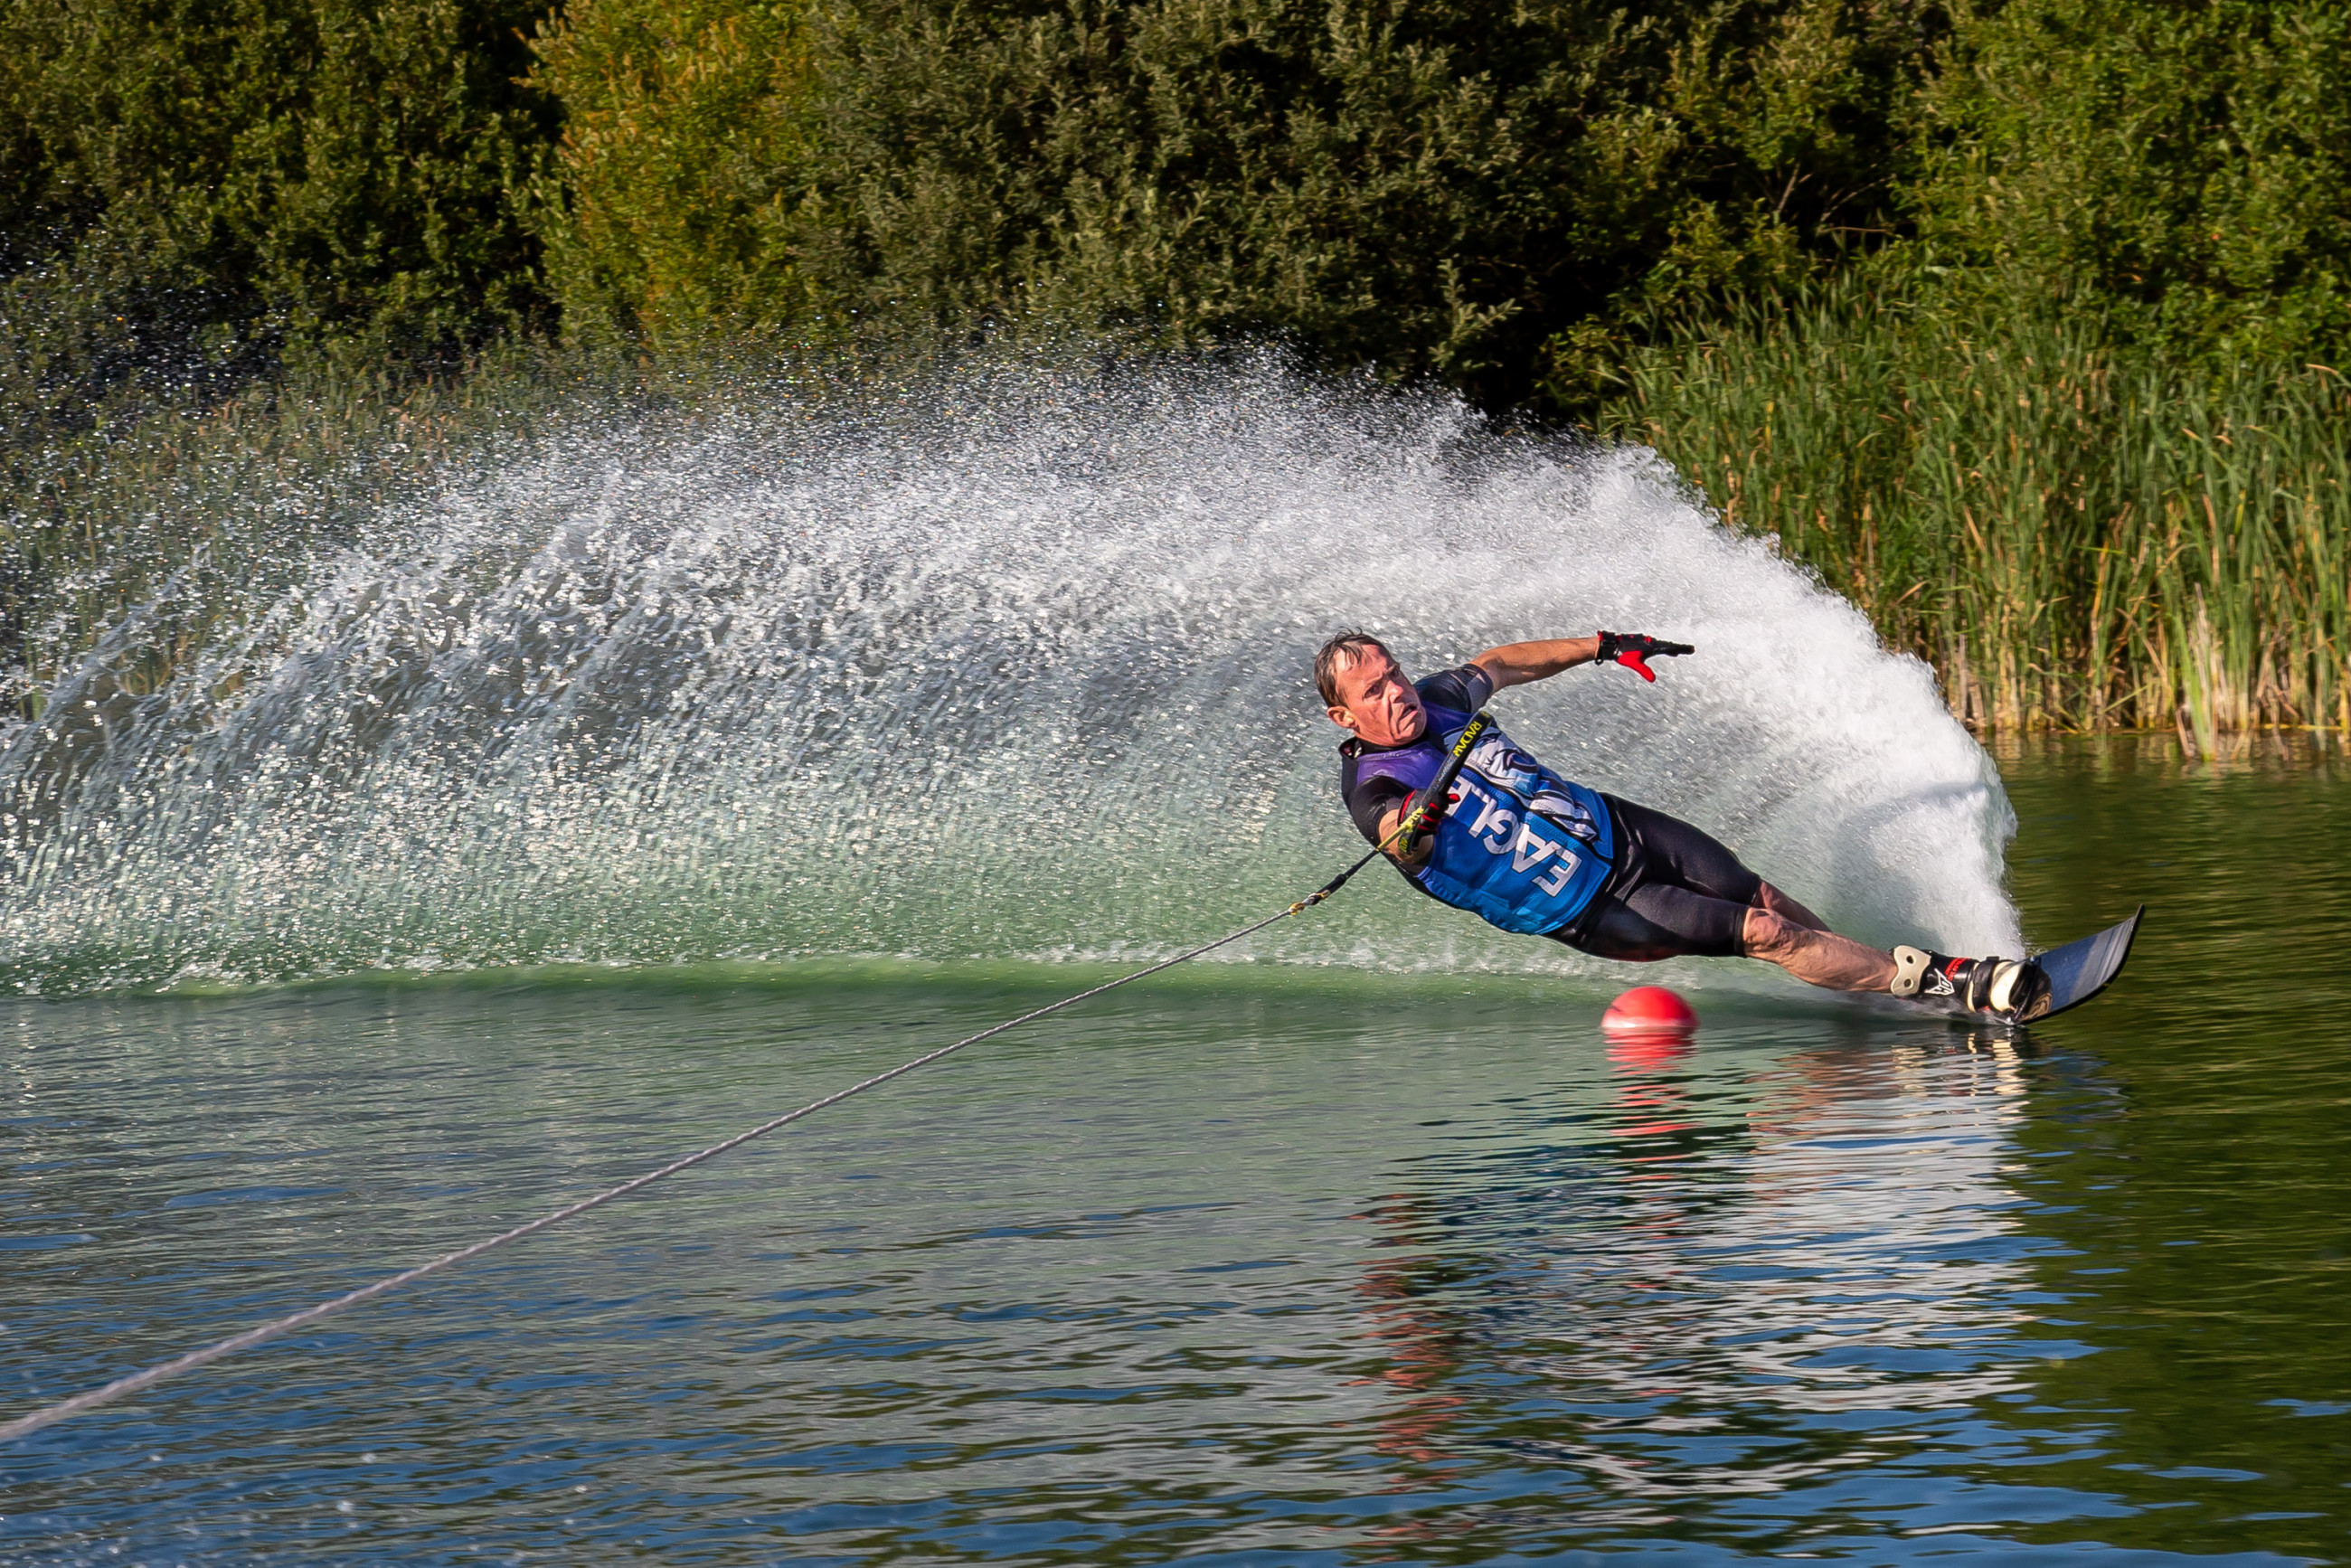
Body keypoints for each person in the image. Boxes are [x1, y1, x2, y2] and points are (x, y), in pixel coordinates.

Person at [1316, 629, 2047, 1020]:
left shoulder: (1442, 700)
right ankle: (1948, 985)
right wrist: (1427, 810)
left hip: (1617, 829)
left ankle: (1883, 985)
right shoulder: (1376, 783)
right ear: (1344, 716)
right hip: (1588, 904)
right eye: (1374, 692)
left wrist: (1601, 646)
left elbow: (1500, 664)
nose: (1398, 694)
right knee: (1763, 935)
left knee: (1763, 900)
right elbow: (1402, 840)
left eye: (1397, 675)